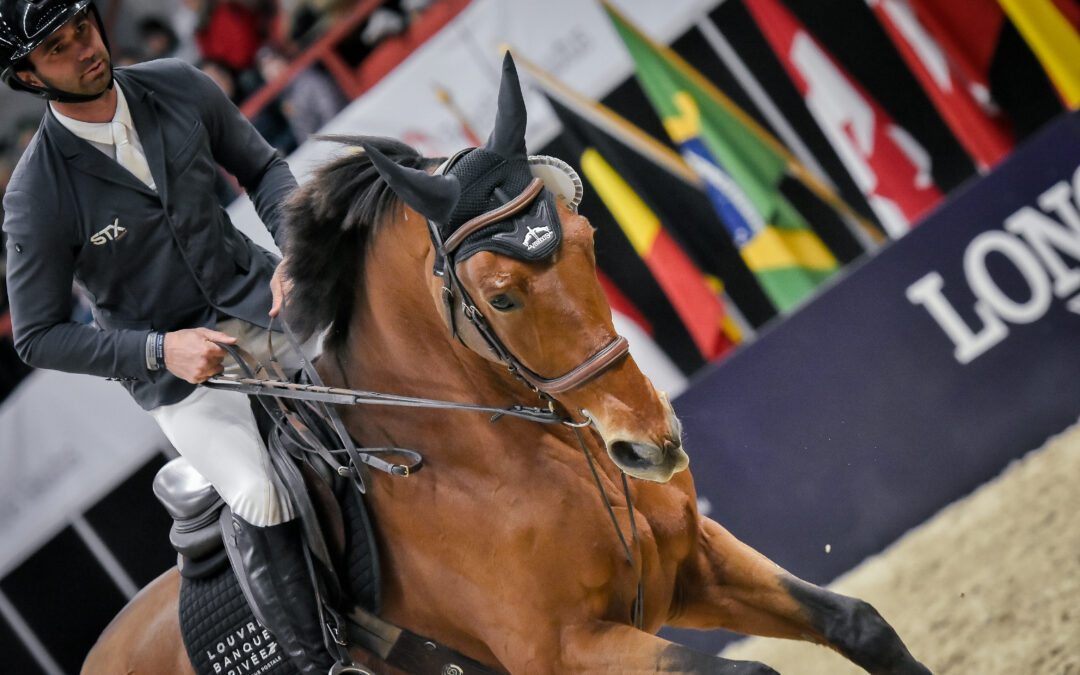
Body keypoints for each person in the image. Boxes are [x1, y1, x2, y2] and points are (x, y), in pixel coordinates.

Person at [0, 1, 334, 672]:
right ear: (31, 77)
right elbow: (36, 335)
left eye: (83, 31)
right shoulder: (36, 194)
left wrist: (295, 248)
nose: (85, 50)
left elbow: (264, 167)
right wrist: (160, 348)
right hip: (180, 375)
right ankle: (322, 660)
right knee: (258, 491)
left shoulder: (178, 84)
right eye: (59, 49)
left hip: (265, 307)